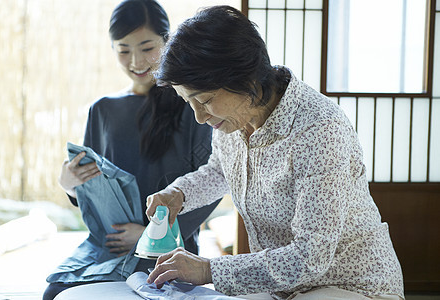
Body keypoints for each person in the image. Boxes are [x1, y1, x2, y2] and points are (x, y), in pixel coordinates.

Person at [145, 5, 405, 300]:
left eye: (204, 100)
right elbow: (221, 170)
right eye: (188, 102)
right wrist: (179, 194)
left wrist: (208, 270)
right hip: (281, 287)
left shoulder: (319, 129)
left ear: (244, 79)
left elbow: (311, 256)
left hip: (352, 284)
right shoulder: (233, 119)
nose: (199, 117)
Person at [42, 1, 219, 299]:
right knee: (54, 292)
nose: (136, 61)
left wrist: (149, 234)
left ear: (167, 41)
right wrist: (70, 188)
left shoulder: (194, 106)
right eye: (123, 50)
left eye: (147, 47)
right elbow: (93, 190)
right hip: (110, 246)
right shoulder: (102, 110)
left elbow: (212, 182)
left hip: (169, 248)